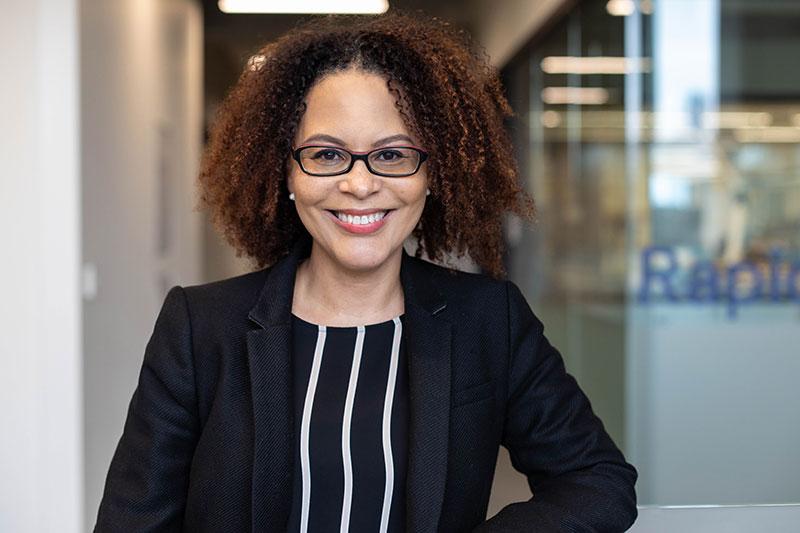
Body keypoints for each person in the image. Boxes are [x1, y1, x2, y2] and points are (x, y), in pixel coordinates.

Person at [94, 10, 638, 533]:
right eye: (328, 155)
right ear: (284, 171)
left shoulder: (490, 321)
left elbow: (597, 481)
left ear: (432, 173)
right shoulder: (200, 328)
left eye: (394, 154)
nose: (359, 184)